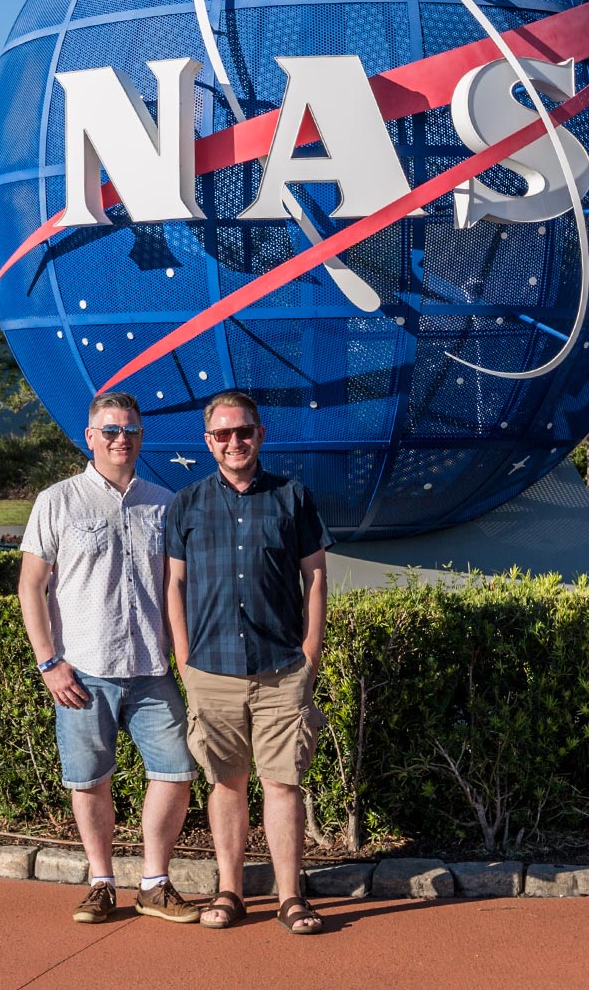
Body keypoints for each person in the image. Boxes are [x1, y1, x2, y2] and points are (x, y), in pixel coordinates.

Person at [18, 391, 201, 925]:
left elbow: (177, 587)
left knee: (176, 771)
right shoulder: (57, 501)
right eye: (111, 430)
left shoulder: (165, 503)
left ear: (142, 437)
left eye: (131, 430)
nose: (122, 438)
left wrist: (185, 659)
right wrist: (49, 662)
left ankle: (153, 882)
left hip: (151, 669)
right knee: (89, 779)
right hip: (82, 671)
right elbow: (31, 587)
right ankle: (100, 881)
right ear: (90, 437)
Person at [165, 390, 330, 935]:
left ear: (261, 435)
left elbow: (316, 578)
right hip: (210, 672)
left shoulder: (293, 498)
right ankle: (230, 892)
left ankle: (290, 898)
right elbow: (175, 585)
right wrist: (185, 662)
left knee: (283, 784)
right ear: (207, 440)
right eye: (223, 433)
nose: (235, 441)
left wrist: (309, 655)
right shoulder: (185, 503)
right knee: (227, 783)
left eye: (245, 431)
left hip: (282, 669)